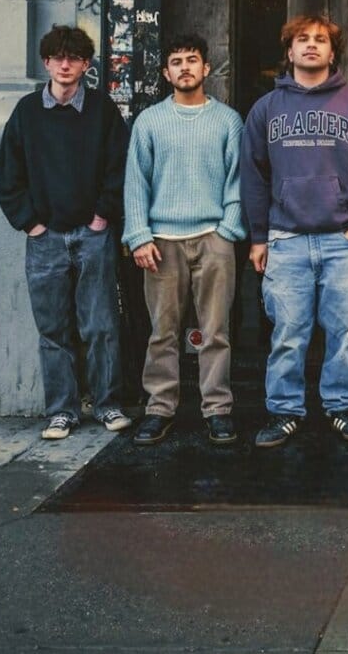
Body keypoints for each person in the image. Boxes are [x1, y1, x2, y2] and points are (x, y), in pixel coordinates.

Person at [241, 14, 348, 448]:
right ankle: (284, 411)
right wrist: (260, 237)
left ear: (332, 51)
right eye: (302, 40)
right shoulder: (267, 108)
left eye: (320, 40)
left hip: (343, 239)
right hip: (286, 238)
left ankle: (341, 407)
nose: (311, 46)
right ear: (289, 51)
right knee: (287, 333)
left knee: (346, 332)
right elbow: (253, 175)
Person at [0, 25, 131, 441]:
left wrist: (101, 217)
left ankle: (108, 405)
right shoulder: (26, 113)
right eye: (58, 57)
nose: (66, 64)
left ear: (86, 64)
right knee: (53, 328)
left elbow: (118, 167)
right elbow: (9, 177)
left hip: (93, 235)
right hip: (45, 238)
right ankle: (62, 411)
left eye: (74, 57)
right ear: (47, 62)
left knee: (100, 325)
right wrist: (32, 224)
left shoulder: (102, 111)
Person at [122, 34, 245, 447]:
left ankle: (218, 409)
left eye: (192, 60)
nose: (185, 68)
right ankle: (159, 408)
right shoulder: (150, 122)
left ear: (206, 68)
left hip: (213, 237)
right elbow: (135, 183)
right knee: (163, 330)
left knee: (216, 330)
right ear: (166, 72)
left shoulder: (228, 120)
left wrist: (226, 230)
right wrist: (139, 236)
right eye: (176, 62)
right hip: (162, 240)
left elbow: (238, 180)